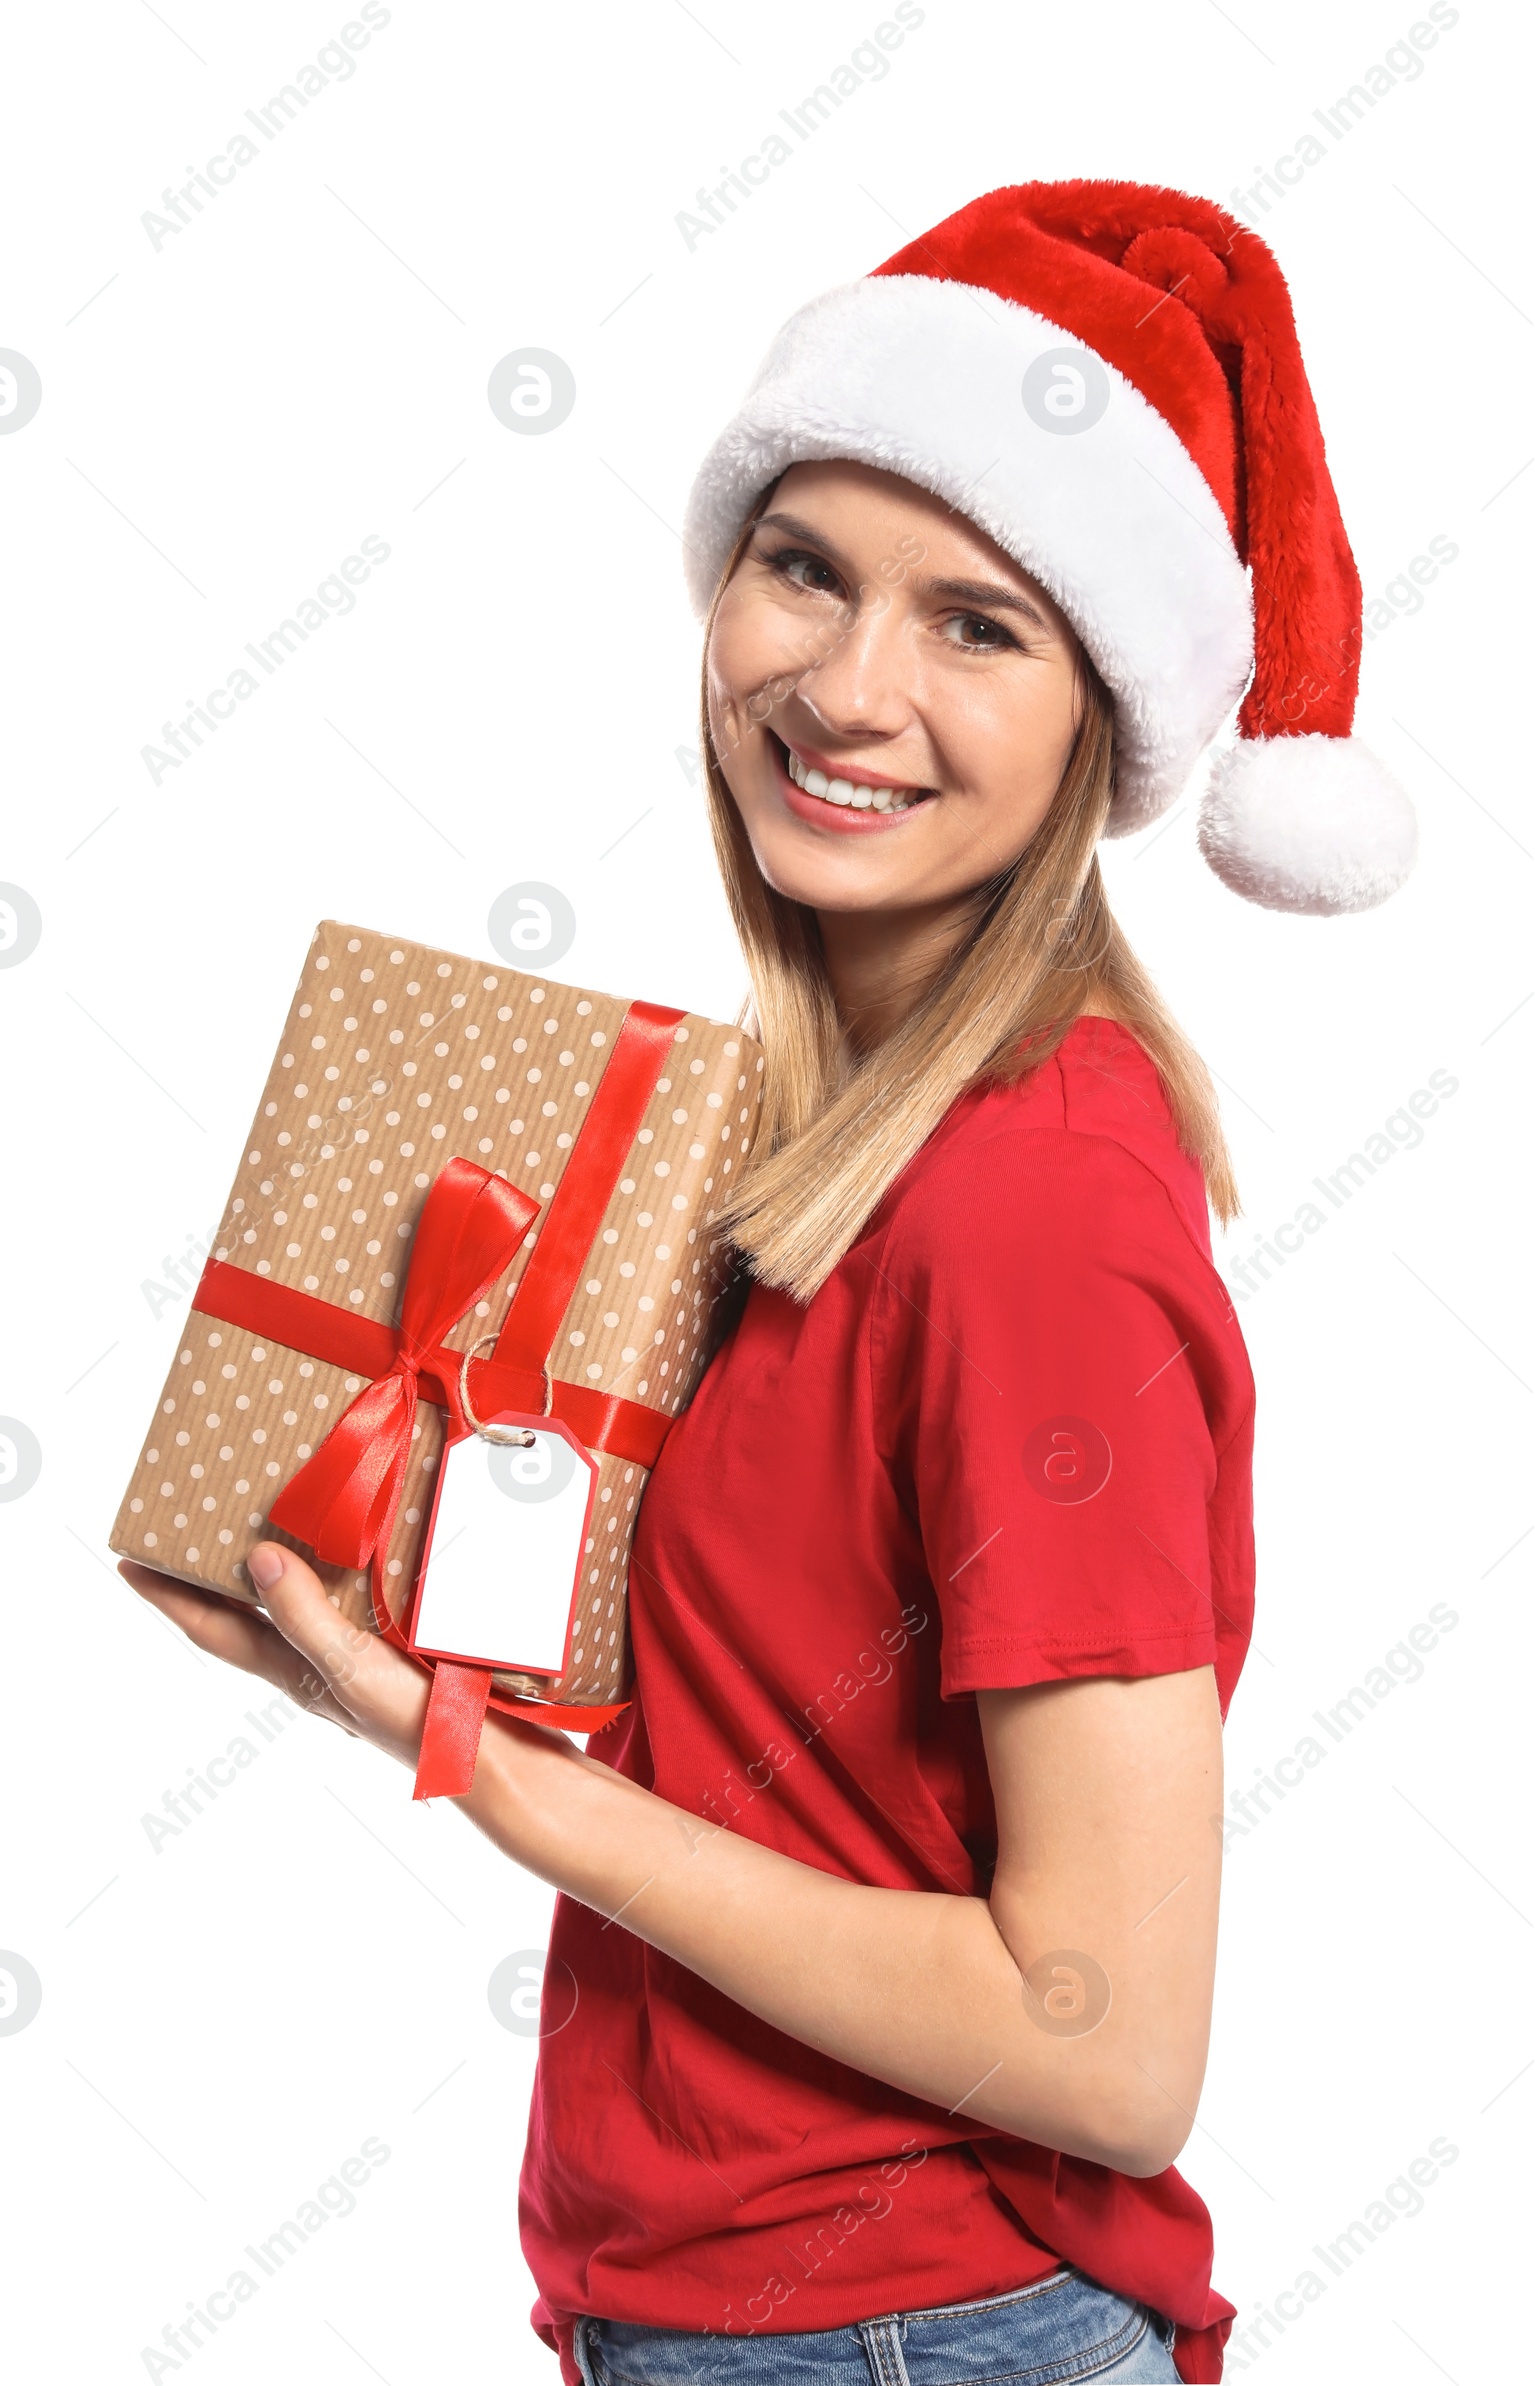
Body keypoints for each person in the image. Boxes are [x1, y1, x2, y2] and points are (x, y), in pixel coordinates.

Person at [120, 181, 1417, 2385]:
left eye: (976, 625)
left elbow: (1104, 2047)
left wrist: (515, 1789)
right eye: (803, 564)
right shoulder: (806, 1139)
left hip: (920, 2335)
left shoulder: (1037, 1206)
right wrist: (388, 1632)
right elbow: (803, 1764)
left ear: (1105, 713)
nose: (843, 684)